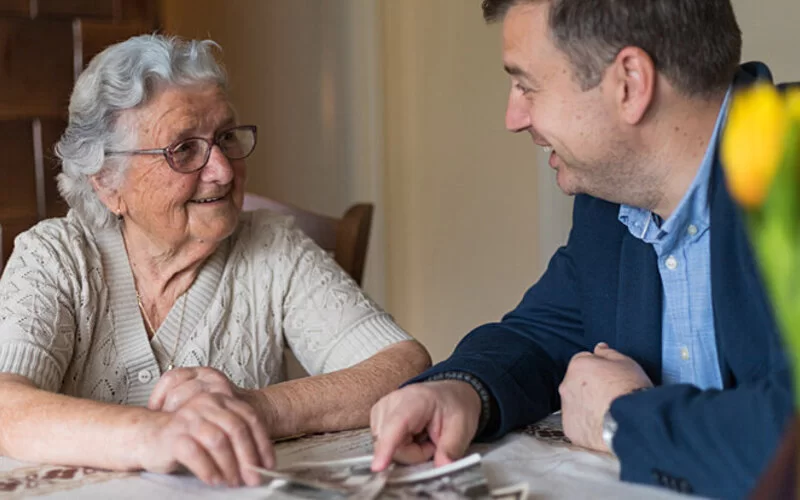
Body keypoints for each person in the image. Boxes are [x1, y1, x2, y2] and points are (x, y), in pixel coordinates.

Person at [369, 0, 795, 497]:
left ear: (629, 84)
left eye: (527, 84)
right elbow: (542, 332)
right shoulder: (610, 202)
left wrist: (623, 420)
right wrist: (461, 390)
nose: (513, 117)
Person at [0, 34, 431, 488]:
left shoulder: (272, 248)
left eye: (225, 137)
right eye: (183, 148)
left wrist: (256, 408)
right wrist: (154, 434)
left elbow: (405, 365)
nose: (223, 170)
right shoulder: (56, 258)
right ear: (108, 182)